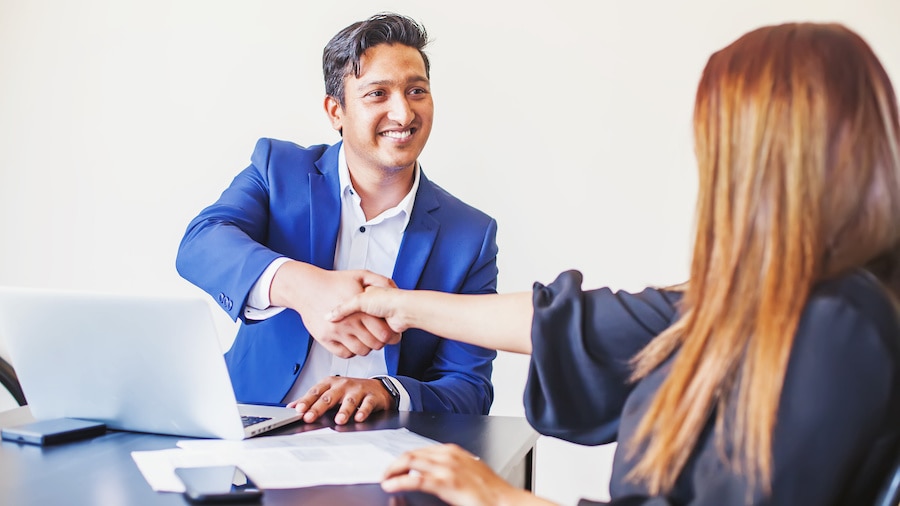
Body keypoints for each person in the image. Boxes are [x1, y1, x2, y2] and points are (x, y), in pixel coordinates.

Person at [328, 22, 900, 505]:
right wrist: (395, 304)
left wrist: (502, 497)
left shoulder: (839, 330)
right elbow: (572, 321)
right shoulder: (764, 299)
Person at [175, 12, 498, 426]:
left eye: (416, 91)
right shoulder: (279, 170)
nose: (403, 114)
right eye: (377, 94)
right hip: (252, 428)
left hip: (385, 453)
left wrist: (387, 390)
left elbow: (469, 388)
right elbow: (201, 243)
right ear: (336, 112)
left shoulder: (470, 235)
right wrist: (304, 288)